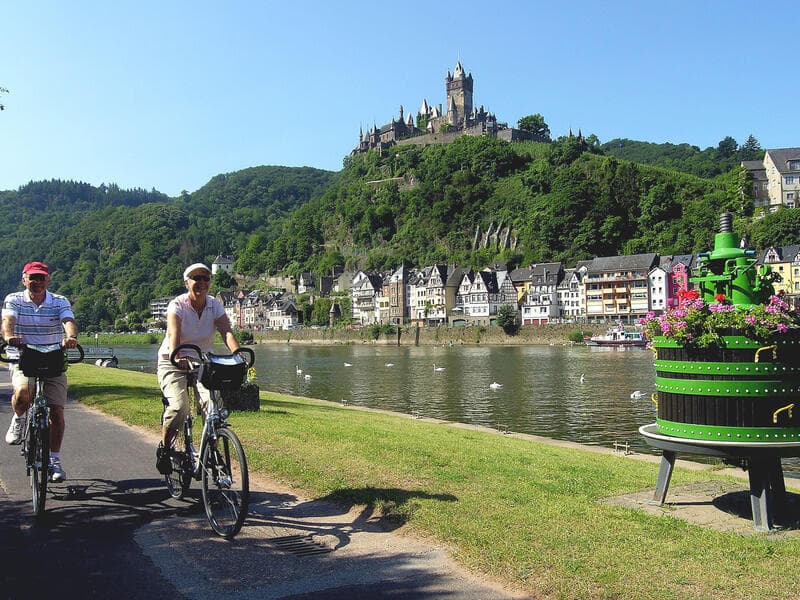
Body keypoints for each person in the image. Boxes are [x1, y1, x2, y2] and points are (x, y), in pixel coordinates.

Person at [156, 263, 240, 474]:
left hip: (202, 362)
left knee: (213, 409)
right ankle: (165, 448)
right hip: (173, 360)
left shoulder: (214, 305)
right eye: (196, 278)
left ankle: (212, 450)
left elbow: (226, 332)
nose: (201, 282)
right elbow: (174, 334)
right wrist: (178, 355)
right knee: (179, 407)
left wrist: (238, 354)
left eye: (205, 278)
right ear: (187, 283)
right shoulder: (177, 305)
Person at [2, 261, 79, 482]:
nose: (37, 282)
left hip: (53, 356)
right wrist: (8, 336)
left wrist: (71, 337)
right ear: (24, 279)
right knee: (24, 393)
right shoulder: (14, 299)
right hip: (23, 356)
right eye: (33, 277)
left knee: (56, 411)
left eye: (41, 278)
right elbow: (8, 320)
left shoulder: (59, 301)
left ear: (48, 280)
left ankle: (54, 460)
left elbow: (68, 320)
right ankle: (19, 419)